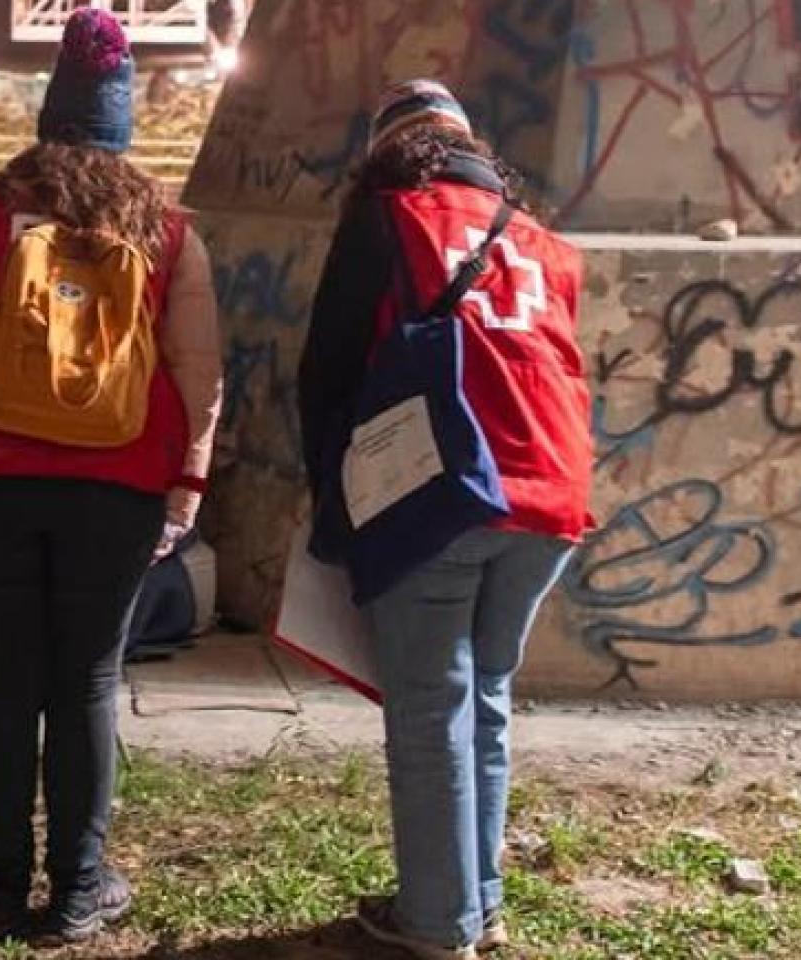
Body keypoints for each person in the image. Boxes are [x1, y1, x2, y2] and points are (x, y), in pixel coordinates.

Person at [0, 9, 222, 943]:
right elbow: (199, 372)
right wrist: (186, 484)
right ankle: (77, 891)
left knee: (1, 675)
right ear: (123, 127)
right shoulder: (168, 230)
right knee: (83, 683)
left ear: (47, 114)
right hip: (116, 483)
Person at [297, 80, 595, 960]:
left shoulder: (389, 221)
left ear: (386, 153)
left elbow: (328, 372)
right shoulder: (545, 243)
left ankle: (436, 924)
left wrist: (331, 503)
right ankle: (477, 904)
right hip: (551, 491)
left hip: (440, 492)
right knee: (486, 699)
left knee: (430, 711)